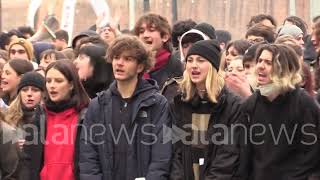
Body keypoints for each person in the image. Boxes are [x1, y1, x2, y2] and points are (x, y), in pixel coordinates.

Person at [79, 35, 171, 180]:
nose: (119, 63)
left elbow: (161, 155)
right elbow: (88, 154)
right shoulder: (98, 104)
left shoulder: (157, 103)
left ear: (140, 66)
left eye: (127, 59)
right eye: (116, 58)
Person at [241, 44, 320, 180]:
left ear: (284, 69)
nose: (260, 66)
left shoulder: (303, 103)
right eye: (259, 61)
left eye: (268, 62)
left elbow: (311, 155)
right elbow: (246, 154)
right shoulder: (251, 104)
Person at [170, 40, 243, 179]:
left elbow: (227, 156)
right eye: (190, 60)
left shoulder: (232, 105)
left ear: (213, 66)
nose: (194, 65)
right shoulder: (179, 103)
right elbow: (175, 151)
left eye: (201, 60)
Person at [23, 61, 90, 180]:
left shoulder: (87, 114)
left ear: (71, 85)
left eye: (58, 81)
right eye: (48, 81)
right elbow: (29, 159)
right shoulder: (40, 115)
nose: (52, 85)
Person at [134, 13, 183, 89]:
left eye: (151, 30)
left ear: (165, 37)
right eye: (141, 31)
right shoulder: (133, 67)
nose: (145, 35)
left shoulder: (177, 67)